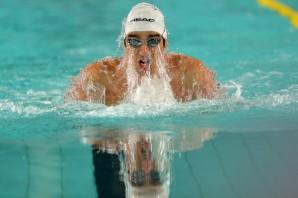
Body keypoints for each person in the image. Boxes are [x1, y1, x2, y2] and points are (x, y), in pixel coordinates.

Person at [65, 2, 220, 106]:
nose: (144, 51)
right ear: (125, 44)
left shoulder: (191, 74)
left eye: (153, 41)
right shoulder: (98, 78)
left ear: (164, 44)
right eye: (134, 41)